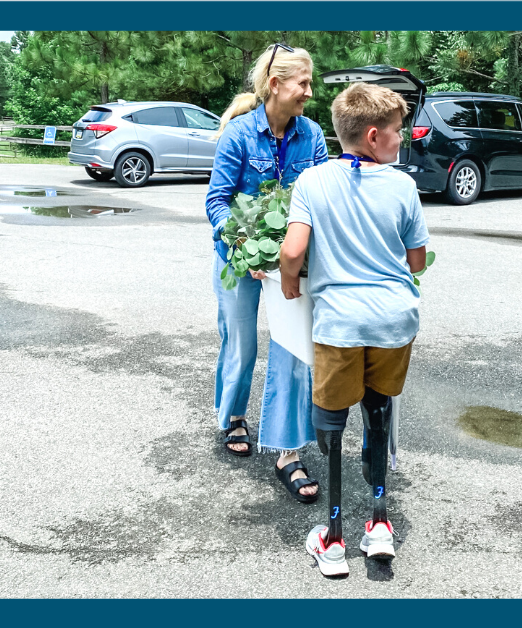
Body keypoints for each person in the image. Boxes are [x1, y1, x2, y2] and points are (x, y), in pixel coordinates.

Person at [279, 82, 429, 576]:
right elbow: (417, 259)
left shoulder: (313, 182)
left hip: (340, 324)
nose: (401, 139)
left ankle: (335, 537)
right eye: (396, 132)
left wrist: (288, 284)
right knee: (379, 408)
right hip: (392, 321)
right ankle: (380, 524)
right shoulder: (403, 185)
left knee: (332, 421)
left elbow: (293, 252)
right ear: (371, 136)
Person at [205, 44, 329, 503]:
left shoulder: (312, 135)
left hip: (289, 262)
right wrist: (241, 244)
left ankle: (286, 449)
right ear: (275, 85)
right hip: (239, 256)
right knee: (242, 342)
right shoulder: (239, 134)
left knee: (292, 348)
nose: (309, 93)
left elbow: (317, 199)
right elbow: (216, 201)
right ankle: (234, 417)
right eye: (303, 84)